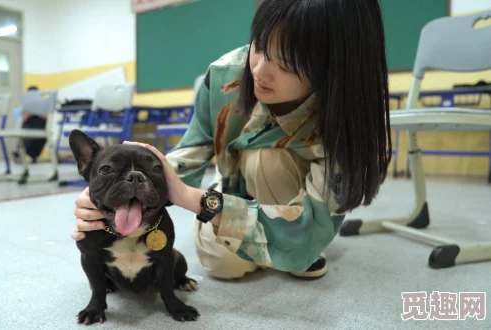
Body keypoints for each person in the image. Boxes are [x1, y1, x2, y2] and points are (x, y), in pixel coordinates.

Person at [71, 0, 391, 280]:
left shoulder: (349, 111)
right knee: (226, 266)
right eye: (260, 46)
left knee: (267, 160)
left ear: (333, 71)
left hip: (295, 200)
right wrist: (111, 194)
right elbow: (191, 153)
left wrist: (196, 201)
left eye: (288, 64)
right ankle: (272, 238)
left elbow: (314, 220)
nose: (260, 71)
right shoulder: (226, 75)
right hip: (233, 192)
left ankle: (288, 243)